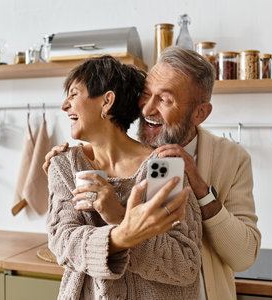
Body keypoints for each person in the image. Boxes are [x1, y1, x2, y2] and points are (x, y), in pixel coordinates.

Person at [45, 47, 261, 300]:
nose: (147, 109)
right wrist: (64, 168)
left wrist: (200, 191)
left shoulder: (176, 165)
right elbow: (62, 240)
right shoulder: (71, 161)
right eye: (145, 95)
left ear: (200, 113)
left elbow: (214, 258)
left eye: (165, 100)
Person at [46, 55, 203, 300]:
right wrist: (122, 235)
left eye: (74, 94)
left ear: (107, 102)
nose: (65, 105)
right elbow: (63, 244)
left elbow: (184, 264)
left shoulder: (162, 167)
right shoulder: (64, 164)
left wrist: (117, 215)